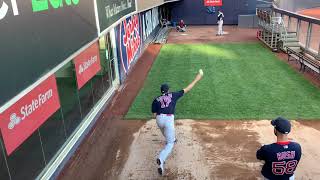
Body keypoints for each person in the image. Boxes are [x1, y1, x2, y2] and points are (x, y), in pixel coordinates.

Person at [152, 69, 204, 176]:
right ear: (168, 90)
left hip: (159, 119)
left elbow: (154, 114)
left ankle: (171, 138)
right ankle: (161, 159)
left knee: (168, 134)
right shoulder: (173, 95)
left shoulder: (156, 99)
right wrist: (197, 78)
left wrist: (160, 119)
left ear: (161, 91)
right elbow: (188, 88)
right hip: (168, 119)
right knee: (170, 143)